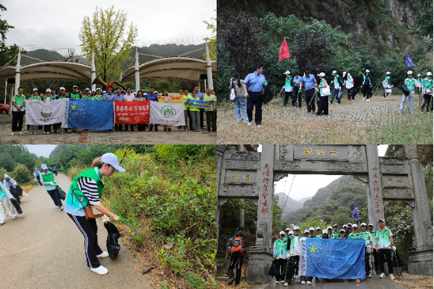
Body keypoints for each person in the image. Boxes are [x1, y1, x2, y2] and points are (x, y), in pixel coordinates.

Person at [64, 153, 124, 275]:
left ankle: (97, 251)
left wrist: (103, 214)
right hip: (75, 210)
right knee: (89, 235)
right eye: (114, 169)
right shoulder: (91, 179)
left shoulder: (99, 177)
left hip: (85, 207)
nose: (114, 172)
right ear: (106, 165)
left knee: (94, 229)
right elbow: (96, 204)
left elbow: (94, 200)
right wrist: (112, 215)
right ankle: (93, 264)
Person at [243, 63, 267, 127]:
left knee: (258, 109)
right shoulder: (249, 76)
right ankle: (250, 120)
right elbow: (244, 83)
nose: (262, 70)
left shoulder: (262, 76)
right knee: (249, 108)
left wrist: (265, 84)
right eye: (261, 69)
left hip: (259, 95)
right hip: (251, 94)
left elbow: (265, 83)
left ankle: (258, 122)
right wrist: (245, 92)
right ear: (257, 69)